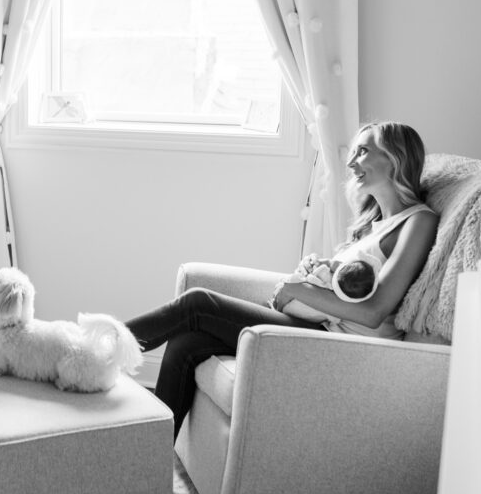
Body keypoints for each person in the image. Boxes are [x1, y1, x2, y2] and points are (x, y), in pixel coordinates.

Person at [126, 121, 440, 439]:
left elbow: (373, 312)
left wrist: (297, 289)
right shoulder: (371, 225)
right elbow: (347, 291)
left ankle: (95, 350)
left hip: (346, 350)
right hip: (322, 331)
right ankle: (146, 466)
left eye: (363, 151)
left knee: (197, 304)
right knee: (187, 343)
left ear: (395, 157)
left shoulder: (418, 221)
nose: (351, 162)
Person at [280, 253, 380, 322]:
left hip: (291, 306)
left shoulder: (324, 274)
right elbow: (335, 320)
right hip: (294, 310)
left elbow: (299, 280)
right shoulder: (339, 310)